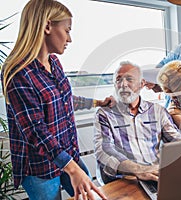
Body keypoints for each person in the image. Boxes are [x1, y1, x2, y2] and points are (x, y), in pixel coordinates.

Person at [1, 0, 107, 199]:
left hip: (68, 155)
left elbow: (63, 100)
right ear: (47, 26)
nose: (70, 39)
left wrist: (97, 103)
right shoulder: (17, 72)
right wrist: (73, 169)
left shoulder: (54, 62)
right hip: (40, 168)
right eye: (67, 30)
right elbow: (35, 129)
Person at [94, 61, 181, 184]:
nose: (123, 84)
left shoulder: (158, 111)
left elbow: (178, 140)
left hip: (155, 177)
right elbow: (104, 150)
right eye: (118, 80)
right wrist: (139, 170)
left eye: (129, 79)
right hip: (125, 180)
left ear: (142, 83)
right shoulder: (104, 114)